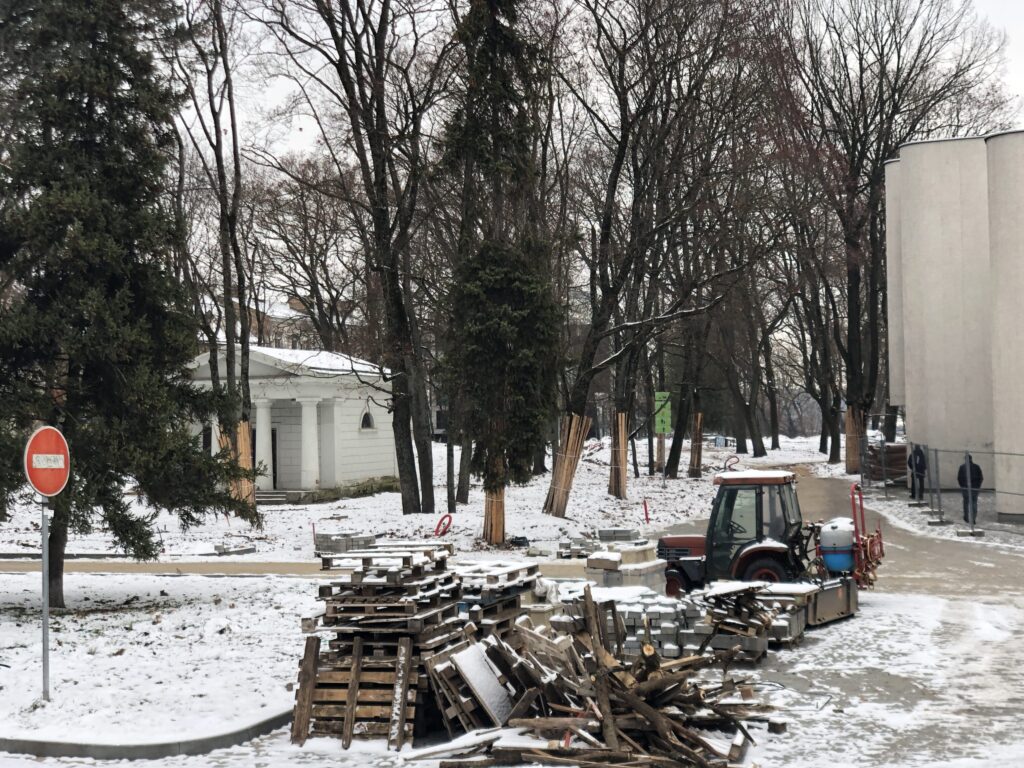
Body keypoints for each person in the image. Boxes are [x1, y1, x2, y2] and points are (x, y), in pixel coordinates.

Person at [957, 455, 983, 525]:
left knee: (966, 503)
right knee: (974, 503)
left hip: (965, 488)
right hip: (974, 488)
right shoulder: (976, 467)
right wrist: (978, 486)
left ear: (965, 459)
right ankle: (973, 519)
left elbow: (959, 478)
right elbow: (981, 478)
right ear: (971, 459)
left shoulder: (962, 467)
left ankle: (966, 517)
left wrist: (962, 486)